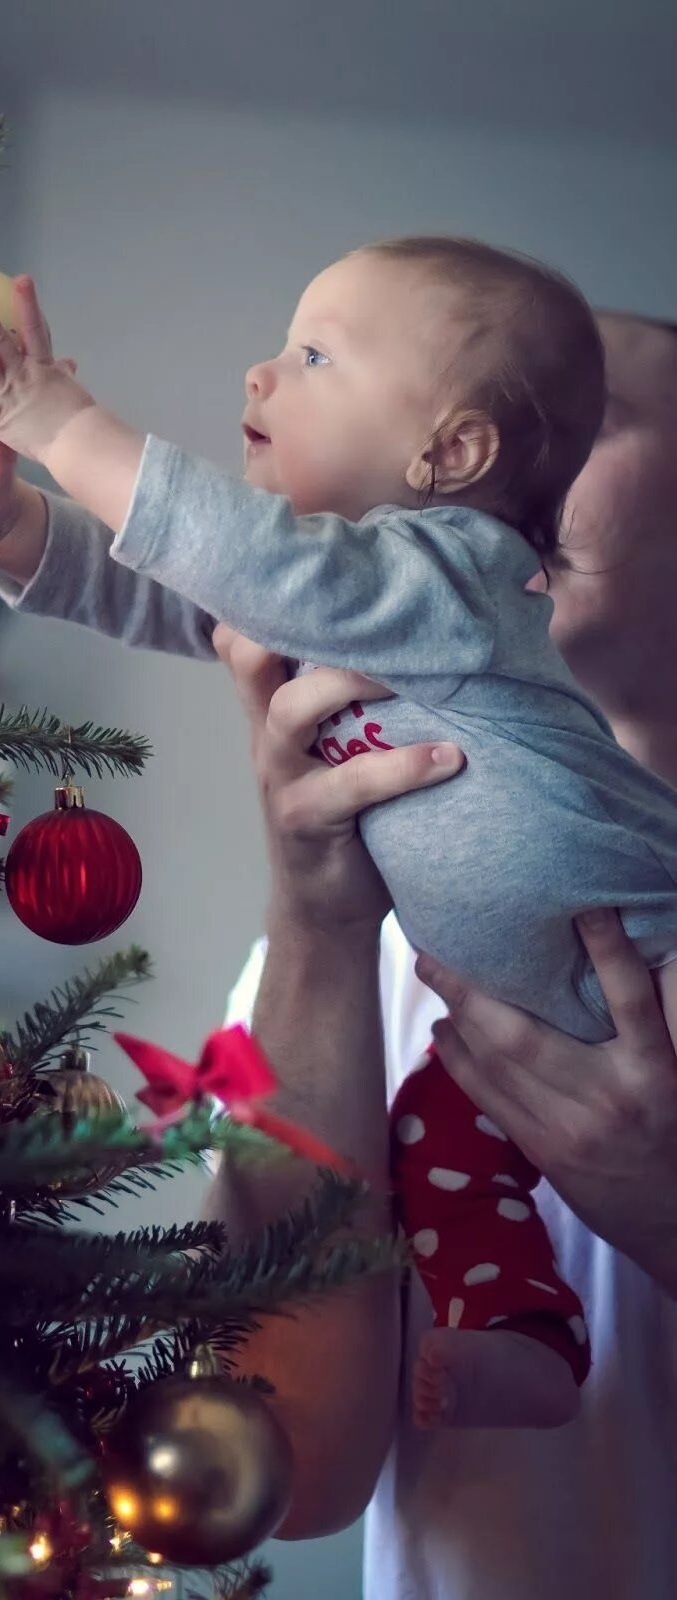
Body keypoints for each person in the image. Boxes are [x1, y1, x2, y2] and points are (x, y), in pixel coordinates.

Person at [0, 237, 677, 1432]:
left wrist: (58, 418)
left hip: (655, 937)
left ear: (455, 455)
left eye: (315, 355)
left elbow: (239, 553)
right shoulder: (340, 613)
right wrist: (16, 529)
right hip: (513, 1015)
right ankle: (519, 1332)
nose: (260, 375)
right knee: (441, 1143)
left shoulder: (454, 568)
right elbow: (181, 589)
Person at [213, 309, 677, 1597]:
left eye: (579, 414)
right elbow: (289, 1474)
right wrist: (314, 916)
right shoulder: (341, 941)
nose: (478, 458)